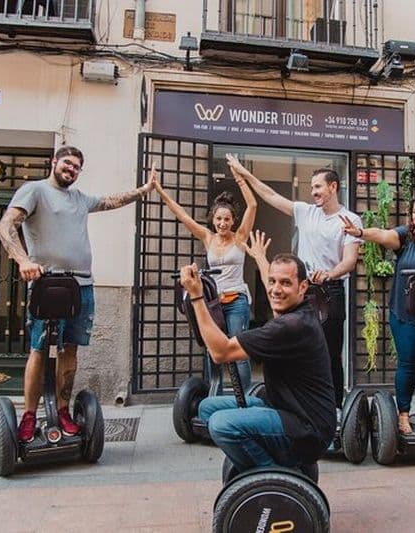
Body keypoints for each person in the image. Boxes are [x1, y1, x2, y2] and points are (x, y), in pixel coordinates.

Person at [0, 145, 154, 442]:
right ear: (54, 162)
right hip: (47, 284)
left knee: (70, 349)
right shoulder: (35, 191)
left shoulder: (80, 199)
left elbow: (110, 201)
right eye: (67, 164)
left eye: (76, 167)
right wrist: (23, 261)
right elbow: (6, 226)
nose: (71, 170)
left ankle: (64, 411)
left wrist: (143, 190)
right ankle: (30, 415)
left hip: (81, 286)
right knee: (39, 349)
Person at [180, 240, 336, 472]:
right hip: (283, 407)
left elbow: (220, 352)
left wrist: (196, 296)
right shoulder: (296, 310)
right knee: (206, 408)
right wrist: (261, 259)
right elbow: (275, 292)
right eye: (273, 281)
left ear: (303, 287)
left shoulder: (292, 326)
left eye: (285, 283)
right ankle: (274, 464)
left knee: (221, 424)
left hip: (307, 429)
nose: (275, 289)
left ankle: (275, 476)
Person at [226, 154, 362, 410]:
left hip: (330, 292)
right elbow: (270, 195)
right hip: (301, 293)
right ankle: (298, 404)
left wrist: (329, 274)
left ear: (333, 187)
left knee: (328, 355)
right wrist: (244, 172)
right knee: (294, 349)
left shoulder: (350, 220)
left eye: (318, 187)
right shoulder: (305, 211)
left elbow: (350, 261)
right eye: (311, 188)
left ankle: (333, 411)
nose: (313, 192)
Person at [342, 192, 415, 436]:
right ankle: (403, 415)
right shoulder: (406, 237)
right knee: (408, 363)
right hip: (406, 313)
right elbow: (384, 235)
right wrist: (361, 233)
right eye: (414, 211)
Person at [152, 157, 257, 391]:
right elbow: (182, 215)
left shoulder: (239, 238)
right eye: (218, 219)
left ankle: (248, 397)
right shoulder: (208, 237)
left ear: (233, 221)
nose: (222, 223)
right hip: (213, 303)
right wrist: (159, 190)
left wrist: (239, 176)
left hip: (237, 300)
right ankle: (215, 396)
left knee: (238, 351)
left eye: (227, 219)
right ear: (213, 219)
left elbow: (253, 206)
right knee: (214, 350)